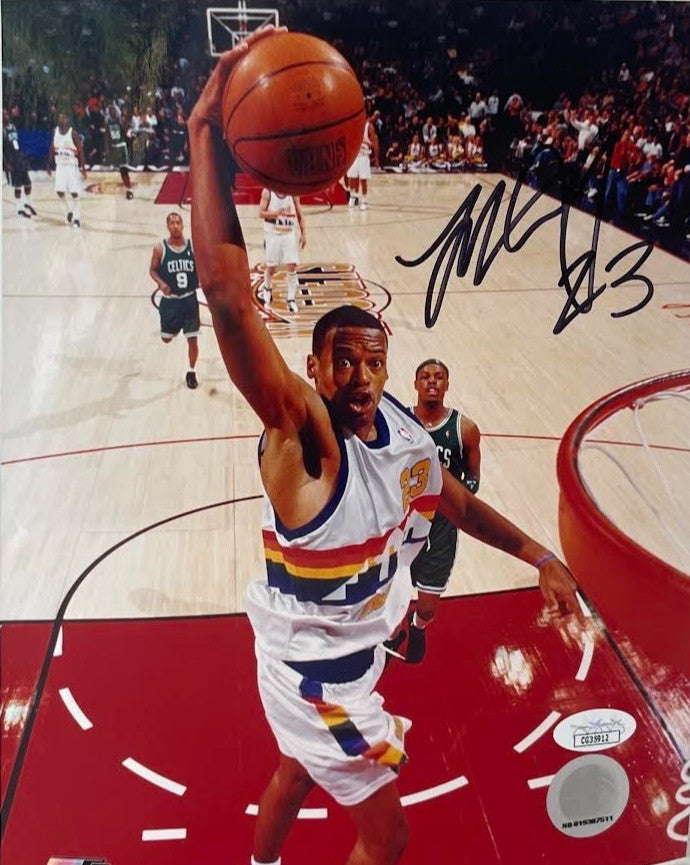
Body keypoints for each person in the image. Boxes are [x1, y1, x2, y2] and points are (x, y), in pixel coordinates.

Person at [188, 29, 581, 865]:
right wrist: (203, 137)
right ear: (312, 369)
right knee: (390, 837)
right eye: (344, 361)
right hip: (315, 677)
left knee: (296, 772)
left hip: (347, 656)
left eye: (374, 361)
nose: (362, 375)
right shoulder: (303, 439)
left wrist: (540, 553)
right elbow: (227, 299)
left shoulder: (401, 429)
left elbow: (454, 499)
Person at [405, 360, 481, 663]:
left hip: (441, 530)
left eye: (439, 377)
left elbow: (474, 480)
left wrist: (450, 490)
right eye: (425, 377)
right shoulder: (401, 422)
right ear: (416, 384)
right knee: (392, 595)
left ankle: (418, 627)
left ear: (447, 385)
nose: (432, 382)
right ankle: (390, 632)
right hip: (404, 526)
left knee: (427, 607)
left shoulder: (465, 429)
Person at [149, 212, 201, 389]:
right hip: (170, 302)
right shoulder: (160, 248)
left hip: (189, 300)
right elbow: (152, 270)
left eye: (178, 222)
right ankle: (175, 328)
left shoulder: (193, 247)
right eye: (172, 223)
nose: (176, 226)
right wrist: (161, 283)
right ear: (167, 226)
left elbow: (202, 268)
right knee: (166, 339)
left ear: (183, 225)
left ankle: (191, 372)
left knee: (193, 339)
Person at [258, 187, 306, 313]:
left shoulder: (293, 192)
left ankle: (291, 299)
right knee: (272, 267)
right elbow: (261, 213)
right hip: (272, 234)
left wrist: (303, 233)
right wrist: (276, 213)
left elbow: (299, 214)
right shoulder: (268, 191)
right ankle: (267, 287)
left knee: (292, 265)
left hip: (288, 234)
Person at [48, 112, 87, 228]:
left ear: (67, 120)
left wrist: (83, 168)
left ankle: (77, 218)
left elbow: (80, 151)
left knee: (74, 192)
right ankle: (69, 210)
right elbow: (52, 148)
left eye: (64, 117)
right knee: (59, 191)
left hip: (71, 166)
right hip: (60, 165)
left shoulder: (73, 133)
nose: (61, 119)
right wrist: (49, 164)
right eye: (60, 117)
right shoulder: (55, 132)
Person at [3, 109, 35, 219]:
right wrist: (5, 164)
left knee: (28, 183)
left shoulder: (13, 127)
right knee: (17, 186)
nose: (6, 116)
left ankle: (27, 203)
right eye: (3, 115)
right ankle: (19, 209)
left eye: (6, 114)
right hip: (11, 161)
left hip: (19, 158)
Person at [346, 114, 378, 210]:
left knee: (363, 179)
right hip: (354, 156)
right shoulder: (352, 125)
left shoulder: (369, 127)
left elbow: (374, 142)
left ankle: (364, 200)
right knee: (351, 177)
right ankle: (353, 196)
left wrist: (365, 143)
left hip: (363, 156)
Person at [104, 104, 134, 200]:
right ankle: (127, 188)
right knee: (121, 171)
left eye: (113, 110)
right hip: (114, 147)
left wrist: (126, 126)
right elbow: (107, 136)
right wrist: (107, 149)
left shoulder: (120, 120)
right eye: (110, 110)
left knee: (124, 170)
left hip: (121, 147)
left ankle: (129, 190)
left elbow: (126, 130)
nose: (111, 111)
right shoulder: (108, 122)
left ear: (116, 111)